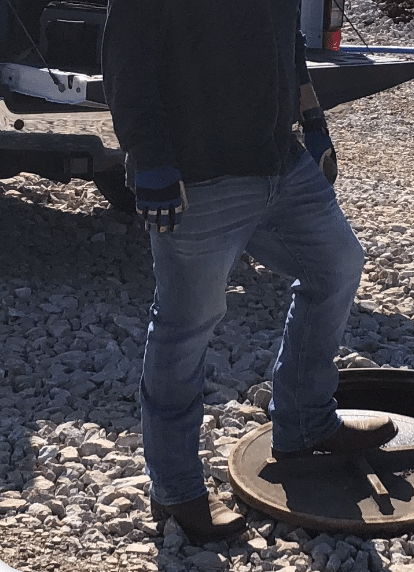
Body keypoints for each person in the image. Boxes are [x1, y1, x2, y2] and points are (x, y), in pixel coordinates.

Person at [101, 0, 397, 543]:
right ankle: (176, 489)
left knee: (336, 266)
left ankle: (305, 423)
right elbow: (126, 62)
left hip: (280, 162)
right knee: (186, 325)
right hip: (198, 177)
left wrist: (313, 122)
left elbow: (288, 46)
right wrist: (151, 160)